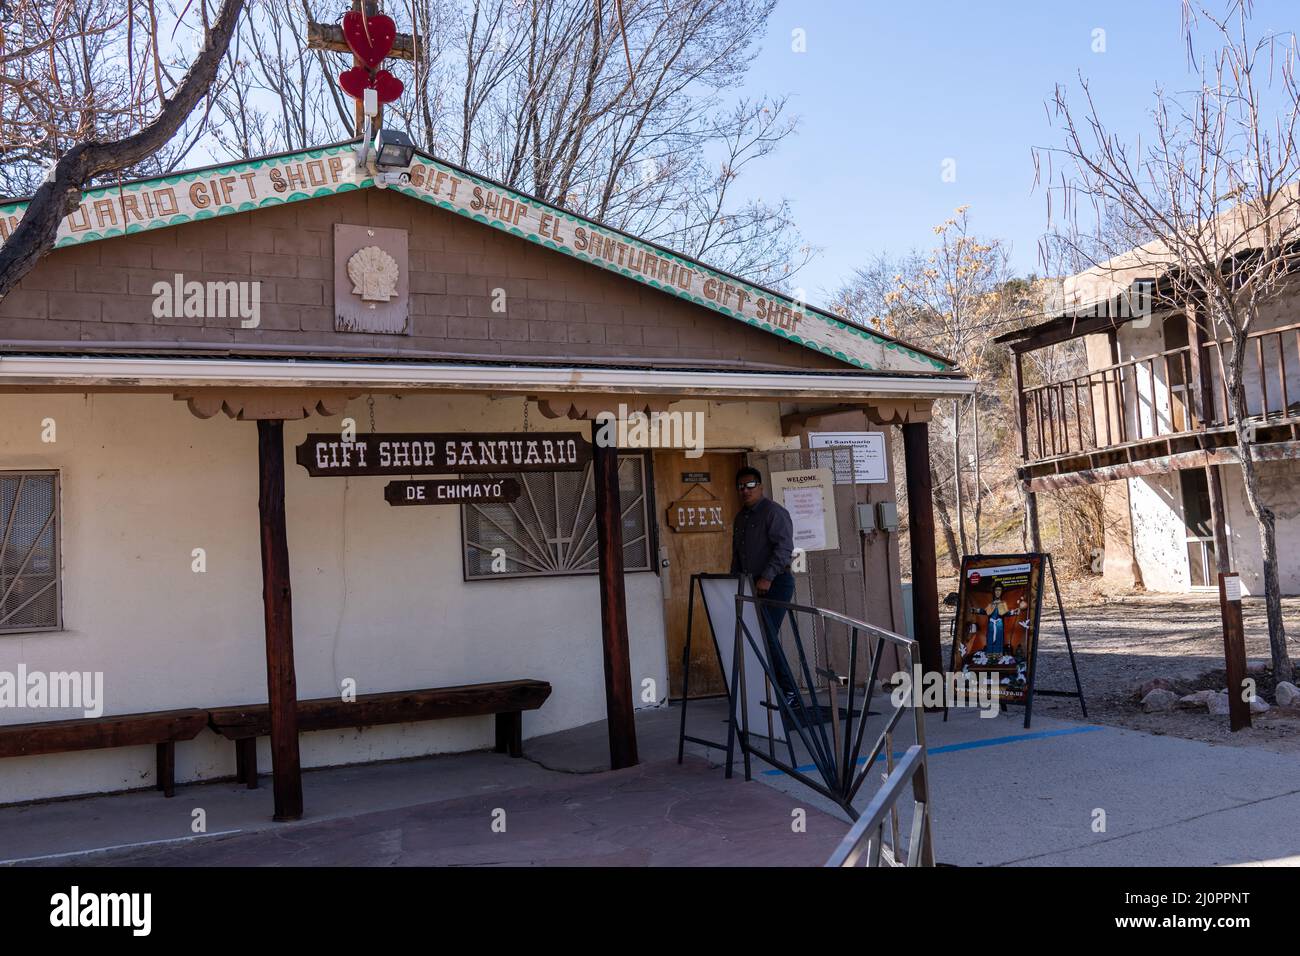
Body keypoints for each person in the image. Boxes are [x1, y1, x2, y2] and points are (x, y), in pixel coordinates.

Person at [730, 466, 801, 708]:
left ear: (760, 487)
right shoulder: (741, 517)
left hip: (776, 582)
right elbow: (737, 555)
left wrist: (768, 577)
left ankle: (790, 692)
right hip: (750, 583)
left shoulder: (774, 512)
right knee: (754, 636)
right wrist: (733, 583)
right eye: (741, 487)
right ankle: (766, 689)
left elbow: (784, 549)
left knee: (767, 635)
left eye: (750, 485)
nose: (745, 490)